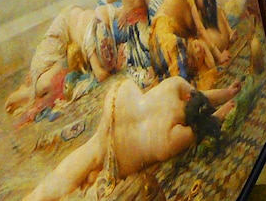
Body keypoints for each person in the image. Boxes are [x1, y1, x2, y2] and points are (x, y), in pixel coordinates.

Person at [22, 76, 242, 201]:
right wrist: (220, 111)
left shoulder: (175, 86)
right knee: (91, 168)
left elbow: (200, 96)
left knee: (89, 155)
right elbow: (202, 126)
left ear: (186, 97)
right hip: (121, 150)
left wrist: (225, 93)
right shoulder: (174, 135)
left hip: (119, 102)